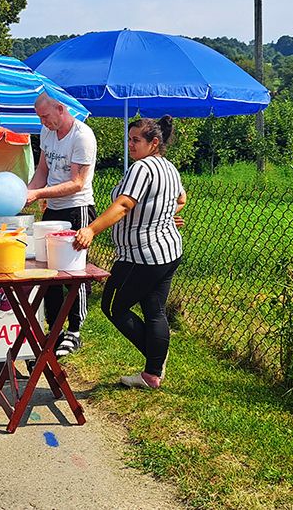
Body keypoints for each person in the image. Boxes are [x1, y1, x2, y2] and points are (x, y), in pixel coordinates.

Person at [73, 116, 186, 389]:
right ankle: (152, 374)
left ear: (154, 143)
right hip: (168, 251)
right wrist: (163, 215)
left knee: (113, 306)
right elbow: (181, 198)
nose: (130, 145)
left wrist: (91, 229)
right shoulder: (169, 167)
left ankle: (156, 357)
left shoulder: (142, 168)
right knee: (154, 310)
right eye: (129, 139)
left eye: (136, 140)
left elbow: (124, 205)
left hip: (141, 255)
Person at [26, 92, 97, 358]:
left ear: (60, 108)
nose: (43, 122)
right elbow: (42, 172)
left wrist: (38, 194)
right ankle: (54, 326)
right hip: (53, 208)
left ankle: (74, 330)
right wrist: (26, 192)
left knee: (73, 270)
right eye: (40, 117)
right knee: (48, 268)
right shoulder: (47, 133)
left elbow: (77, 183)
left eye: (45, 116)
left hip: (77, 208)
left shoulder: (82, 136)